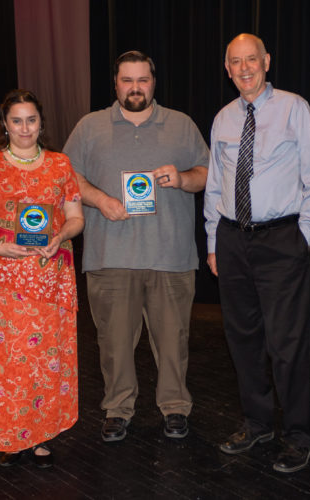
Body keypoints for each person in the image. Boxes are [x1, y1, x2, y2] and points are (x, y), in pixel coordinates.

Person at [63, 50, 209, 442]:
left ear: (153, 82)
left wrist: (181, 179)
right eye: (127, 80)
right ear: (115, 84)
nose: (135, 88)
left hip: (171, 257)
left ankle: (175, 407)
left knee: (174, 340)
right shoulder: (90, 127)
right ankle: (117, 408)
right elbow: (65, 177)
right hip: (110, 257)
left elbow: (206, 174)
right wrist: (100, 199)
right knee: (113, 342)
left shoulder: (181, 125)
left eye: (142, 80)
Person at [204, 34, 310, 473]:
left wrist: (304, 235)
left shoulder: (294, 108)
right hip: (233, 239)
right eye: (235, 62)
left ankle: (298, 435)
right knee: (243, 340)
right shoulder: (222, 118)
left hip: (281, 240)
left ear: (266, 61)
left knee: (287, 344)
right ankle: (258, 423)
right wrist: (214, 241)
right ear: (227, 68)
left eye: (251, 60)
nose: (244, 68)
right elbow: (216, 186)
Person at [0, 89, 85, 468]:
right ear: (5, 124)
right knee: (9, 361)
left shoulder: (60, 165)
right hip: (3, 279)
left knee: (47, 360)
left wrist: (60, 236)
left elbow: (76, 218)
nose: (25, 128)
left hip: (51, 278)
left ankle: (41, 436)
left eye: (31, 120)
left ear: (41, 123)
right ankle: (10, 438)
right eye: (17, 120)